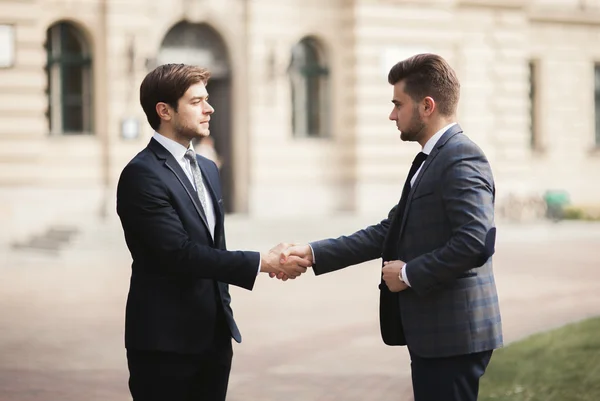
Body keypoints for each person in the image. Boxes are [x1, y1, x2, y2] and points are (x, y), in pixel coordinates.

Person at [280, 54, 502, 401]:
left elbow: (475, 242)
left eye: (398, 104)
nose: (392, 114)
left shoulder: (460, 157)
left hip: (454, 335)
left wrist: (409, 273)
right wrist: (313, 253)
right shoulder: (434, 158)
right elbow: (388, 231)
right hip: (437, 335)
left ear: (427, 106)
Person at [116, 63, 309, 401]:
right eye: (196, 101)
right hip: (165, 345)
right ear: (164, 111)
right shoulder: (141, 174)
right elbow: (179, 254)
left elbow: (213, 244)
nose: (210, 108)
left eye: (207, 98)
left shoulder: (207, 167)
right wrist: (263, 261)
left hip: (214, 341)